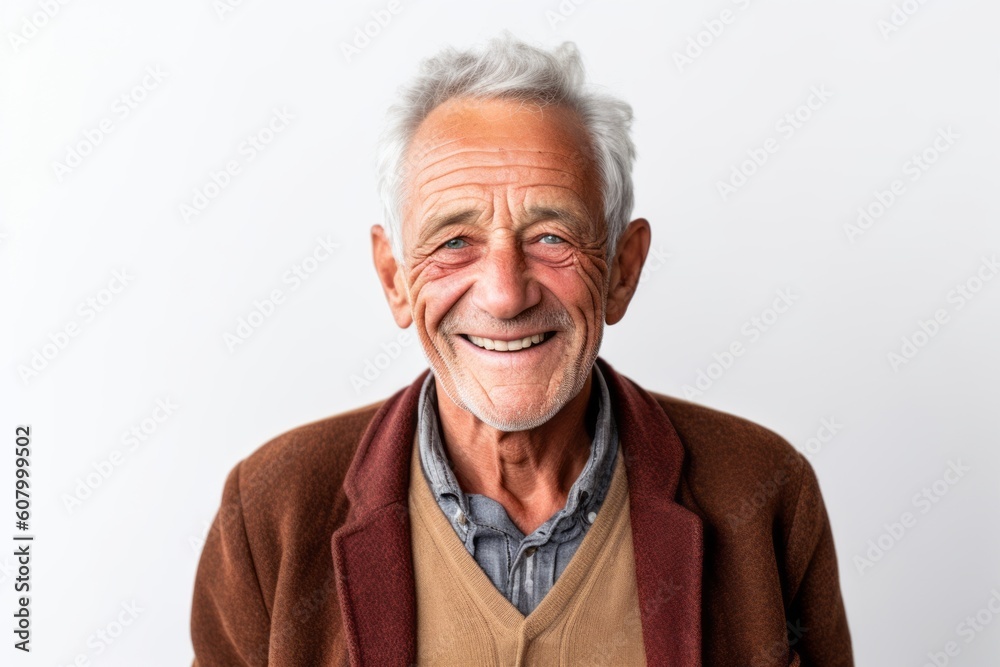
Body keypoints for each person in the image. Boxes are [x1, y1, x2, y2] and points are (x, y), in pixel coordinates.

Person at [191, 34, 853, 666]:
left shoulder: (763, 490)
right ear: (394, 278)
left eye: (551, 236)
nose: (506, 294)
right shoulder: (271, 512)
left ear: (622, 270)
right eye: (454, 241)